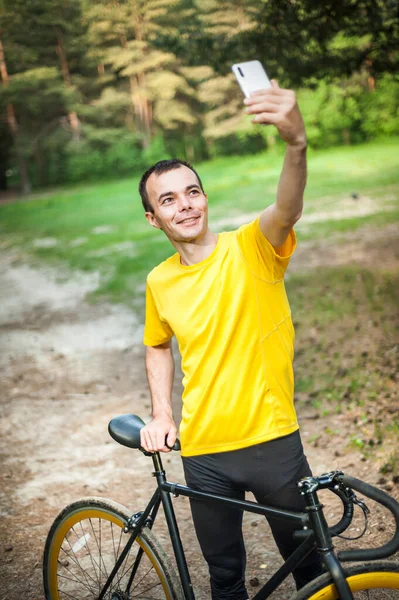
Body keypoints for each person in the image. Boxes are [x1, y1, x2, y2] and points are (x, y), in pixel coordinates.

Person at [139, 80, 324, 599]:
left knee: (311, 572)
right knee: (225, 581)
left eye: (192, 191)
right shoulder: (159, 280)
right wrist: (161, 413)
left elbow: (286, 207)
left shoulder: (253, 248)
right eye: (169, 200)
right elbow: (157, 344)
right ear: (154, 219)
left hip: (273, 442)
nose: (186, 206)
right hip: (204, 453)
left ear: (204, 197)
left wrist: (296, 143)